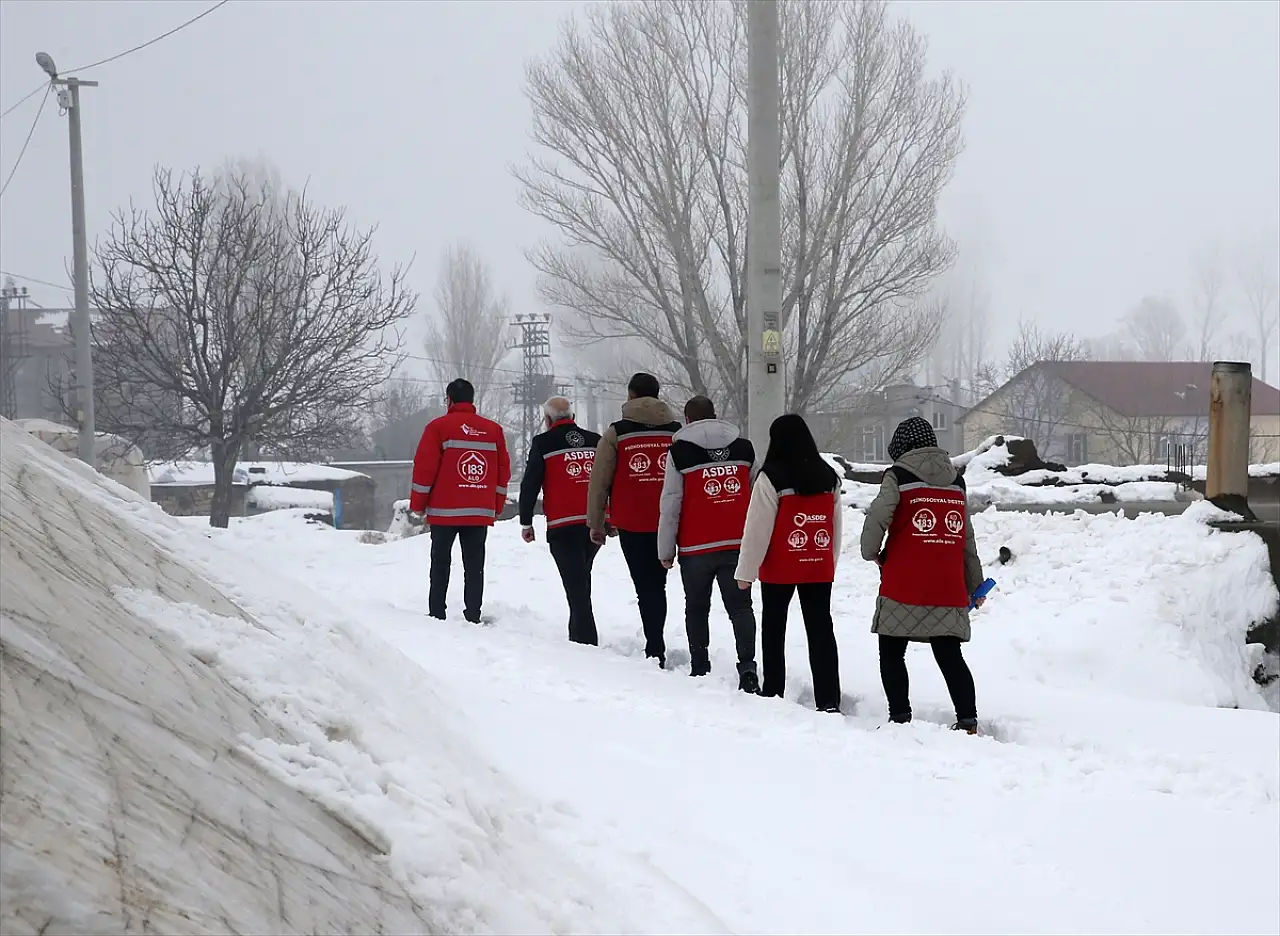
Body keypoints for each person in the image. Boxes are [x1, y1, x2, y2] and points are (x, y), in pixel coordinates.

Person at [859, 416, 986, 734]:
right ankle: (968, 721)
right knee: (949, 653)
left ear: (901, 447)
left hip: (904, 582)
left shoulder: (898, 475)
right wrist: (976, 584)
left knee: (891, 650)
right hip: (947, 584)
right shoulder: (956, 481)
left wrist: (871, 551)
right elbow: (964, 537)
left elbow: (878, 514)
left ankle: (900, 718)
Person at [734, 414, 844, 713]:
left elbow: (758, 529)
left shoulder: (771, 477)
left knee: (773, 628)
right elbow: (834, 527)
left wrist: (746, 573)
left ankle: (773, 691)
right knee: (821, 630)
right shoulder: (829, 477)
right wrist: (828, 564)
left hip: (779, 566)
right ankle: (829, 698)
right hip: (817, 564)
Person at [656, 395, 759, 692]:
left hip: (695, 548)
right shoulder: (744, 448)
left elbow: (671, 503)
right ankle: (748, 667)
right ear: (715, 415)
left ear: (688, 421)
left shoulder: (679, 453)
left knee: (697, 608)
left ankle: (700, 665)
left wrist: (665, 549)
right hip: (737, 544)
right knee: (741, 608)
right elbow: (757, 495)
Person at [587, 372, 682, 667]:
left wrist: (596, 521)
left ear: (631, 396)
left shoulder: (617, 432)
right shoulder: (677, 432)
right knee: (659, 583)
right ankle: (657, 641)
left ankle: (655, 646)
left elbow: (600, 480)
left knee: (645, 586)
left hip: (631, 521)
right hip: (669, 521)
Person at [408, 377, 511, 624]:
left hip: (445, 511)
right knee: (474, 566)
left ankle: (436, 613)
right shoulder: (493, 430)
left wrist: (418, 505)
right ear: (472, 400)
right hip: (478, 511)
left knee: (440, 562)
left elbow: (424, 469)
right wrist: (495, 506)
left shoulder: (438, 427)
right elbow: (502, 471)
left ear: (449, 400)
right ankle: (473, 613)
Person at [518, 396, 603, 646]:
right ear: (572, 417)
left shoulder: (543, 443)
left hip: (563, 526)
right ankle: (577, 636)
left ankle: (587, 643)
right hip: (593, 523)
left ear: (547, 419)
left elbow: (531, 483)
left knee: (576, 587)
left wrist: (526, 521)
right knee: (579, 580)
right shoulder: (594, 441)